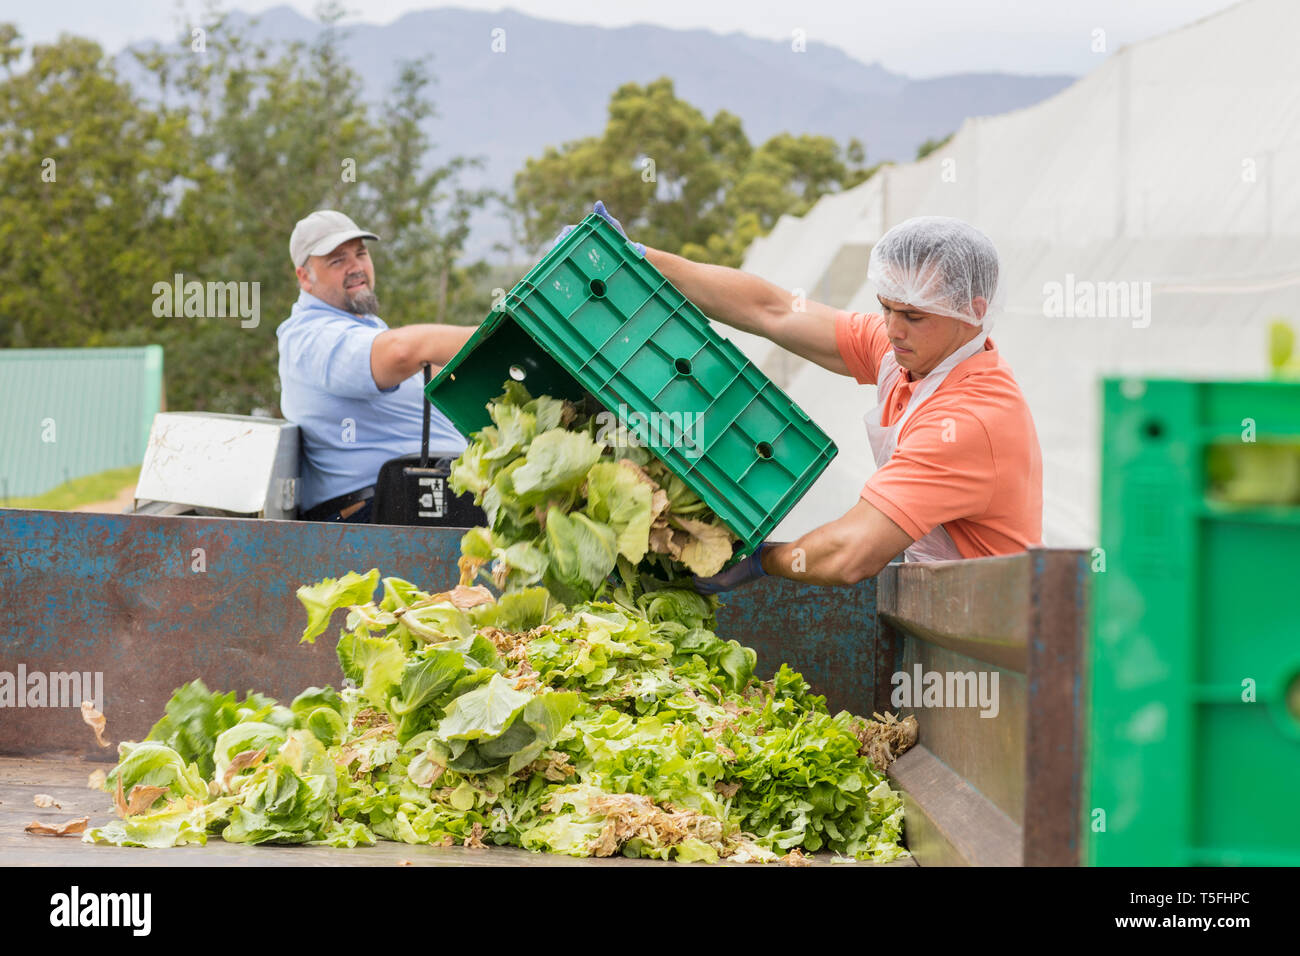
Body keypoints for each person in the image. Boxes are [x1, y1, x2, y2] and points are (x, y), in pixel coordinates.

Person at [572, 202, 1042, 591]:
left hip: (993, 637)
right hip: (941, 604)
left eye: (914, 317)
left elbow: (851, 553)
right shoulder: (912, 354)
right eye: (886, 308)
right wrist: (641, 258)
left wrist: (760, 561)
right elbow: (773, 310)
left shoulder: (969, 420)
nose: (893, 330)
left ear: (974, 312)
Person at [277, 210, 475, 522]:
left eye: (361, 253)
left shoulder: (367, 328)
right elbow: (403, 351)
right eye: (337, 260)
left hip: (430, 498)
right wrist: (503, 335)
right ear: (304, 277)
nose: (356, 267)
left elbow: (448, 374)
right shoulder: (309, 336)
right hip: (375, 516)